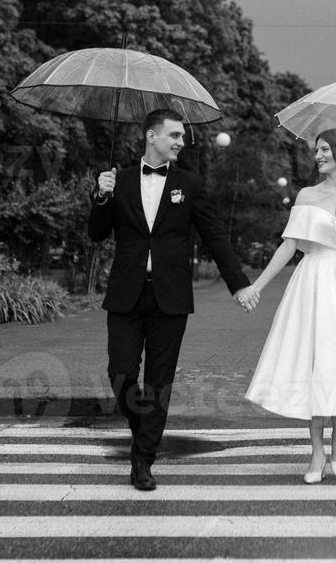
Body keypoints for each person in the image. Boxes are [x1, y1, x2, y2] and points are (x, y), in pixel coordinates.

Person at [88, 108, 258, 491]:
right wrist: (101, 196)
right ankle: (144, 432)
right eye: (175, 135)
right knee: (120, 373)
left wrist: (239, 284)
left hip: (171, 297)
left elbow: (214, 235)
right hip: (126, 293)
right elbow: (97, 234)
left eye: (182, 136)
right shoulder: (121, 180)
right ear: (151, 136)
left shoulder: (190, 184)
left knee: (158, 382)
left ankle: (142, 460)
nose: (181, 142)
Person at [242, 128, 336, 483]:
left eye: (325, 149)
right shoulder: (307, 195)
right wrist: (258, 286)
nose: (318, 156)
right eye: (316, 150)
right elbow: (288, 246)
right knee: (313, 360)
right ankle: (315, 450)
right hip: (311, 281)